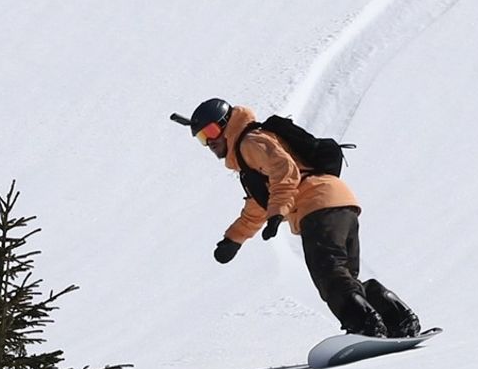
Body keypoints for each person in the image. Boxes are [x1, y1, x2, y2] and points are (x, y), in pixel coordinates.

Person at [177, 97, 421, 338]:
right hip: (340, 201)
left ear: (226, 123)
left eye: (211, 130)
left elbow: (285, 172)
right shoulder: (248, 155)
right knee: (343, 277)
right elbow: (258, 205)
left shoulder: (250, 142)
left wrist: (278, 211)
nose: (209, 141)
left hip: (317, 205)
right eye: (201, 138)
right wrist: (234, 239)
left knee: (329, 274)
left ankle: (364, 326)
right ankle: (395, 317)